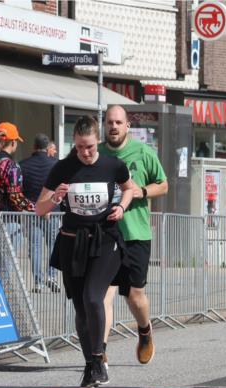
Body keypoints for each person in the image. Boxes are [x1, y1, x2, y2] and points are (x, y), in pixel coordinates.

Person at [35, 116, 138, 388]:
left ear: (97, 141)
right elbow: (39, 209)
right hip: (73, 243)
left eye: (90, 146)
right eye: (80, 147)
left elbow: (130, 188)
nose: (85, 152)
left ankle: (97, 358)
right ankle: (92, 365)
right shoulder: (63, 168)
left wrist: (122, 207)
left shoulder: (112, 165)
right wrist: (56, 197)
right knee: (80, 308)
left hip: (105, 241)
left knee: (94, 297)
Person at [100, 105, 169, 366]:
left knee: (134, 296)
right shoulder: (97, 153)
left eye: (118, 122)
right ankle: (100, 352)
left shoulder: (143, 152)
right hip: (105, 235)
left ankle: (145, 331)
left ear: (127, 125)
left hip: (135, 234)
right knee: (103, 294)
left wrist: (141, 191)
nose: (114, 127)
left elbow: (163, 185)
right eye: (109, 122)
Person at [20, 133, 60, 292]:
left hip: (32, 211)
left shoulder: (23, 165)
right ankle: (52, 276)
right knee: (53, 245)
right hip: (52, 211)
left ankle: (38, 282)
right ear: (47, 147)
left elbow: (20, 190)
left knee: (35, 246)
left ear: (34, 147)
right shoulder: (56, 164)